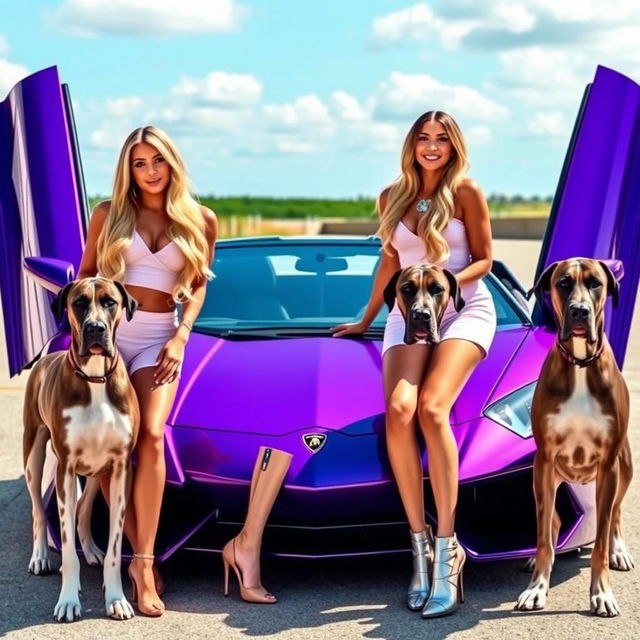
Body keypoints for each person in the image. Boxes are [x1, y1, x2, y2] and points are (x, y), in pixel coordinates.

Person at [331, 110, 496, 618]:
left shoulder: (465, 190)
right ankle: (419, 547)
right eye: (423, 138)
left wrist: (444, 282)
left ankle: (449, 548)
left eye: (441, 139)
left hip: (463, 307)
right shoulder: (391, 197)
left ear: (453, 146)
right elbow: (389, 263)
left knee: (431, 410)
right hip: (406, 311)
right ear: (411, 144)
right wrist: (366, 320)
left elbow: (486, 259)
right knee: (400, 411)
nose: (431, 146)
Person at [77, 125, 217, 616]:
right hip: (111, 341)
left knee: (152, 436)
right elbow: (84, 280)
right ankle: (142, 563)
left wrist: (181, 336)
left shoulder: (200, 218)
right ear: (127, 169)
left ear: (172, 163)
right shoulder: (108, 215)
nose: (150, 171)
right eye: (139, 163)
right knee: (122, 448)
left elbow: (198, 286)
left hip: (160, 338)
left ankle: (142, 559)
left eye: (157, 160)